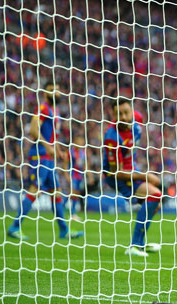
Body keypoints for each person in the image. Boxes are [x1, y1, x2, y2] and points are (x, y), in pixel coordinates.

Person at [7, 81, 83, 241]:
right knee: (35, 190)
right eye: (51, 90)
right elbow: (33, 130)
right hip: (39, 156)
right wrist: (47, 146)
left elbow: (51, 137)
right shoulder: (43, 108)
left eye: (57, 89)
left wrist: (58, 151)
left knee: (56, 192)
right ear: (45, 93)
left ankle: (64, 230)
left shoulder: (54, 111)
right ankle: (14, 227)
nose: (55, 92)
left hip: (48, 158)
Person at [102, 97, 163, 257]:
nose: (123, 117)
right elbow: (116, 172)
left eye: (126, 112)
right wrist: (147, 176)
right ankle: (134, 245)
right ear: (113, 115)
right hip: (117, 176)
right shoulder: (112, 137)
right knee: (155, 195)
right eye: (118, 114)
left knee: (155, 204)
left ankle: (140, 244)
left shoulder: (138, 119)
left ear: (132, 111)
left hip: (131, 168)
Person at [68, 136, 87, 222]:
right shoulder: (71, 151)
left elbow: (84, 164)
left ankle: (72, 213)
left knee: (77, 193)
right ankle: (64, 210)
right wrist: (67, 175)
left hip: (80, 176)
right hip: (72, 175)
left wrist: (88, 175)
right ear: (75, 141)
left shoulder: (82, 152)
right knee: (72, 193)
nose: (82, 143)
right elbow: (65, 164)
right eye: (80, 141)